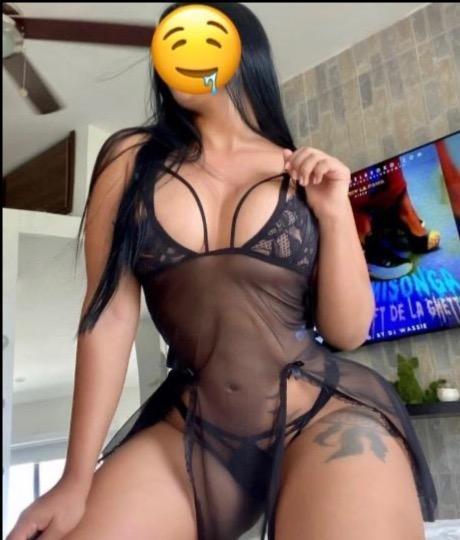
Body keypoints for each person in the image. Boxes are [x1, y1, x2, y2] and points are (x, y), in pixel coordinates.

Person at [7, 3, 437, 540]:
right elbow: (109, 316)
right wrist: (75, 478)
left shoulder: (300, 170)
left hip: (320, 415)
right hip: (191, 431)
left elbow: (348, 331)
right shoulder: (131, 159)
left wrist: (333, 210)